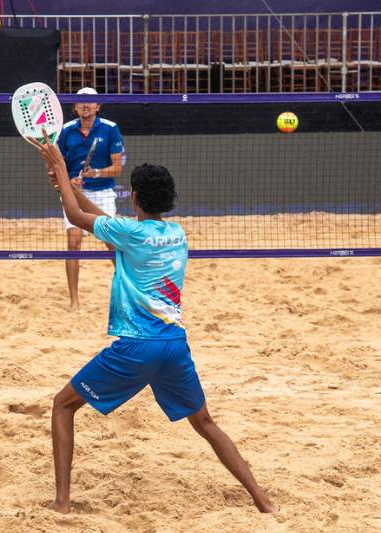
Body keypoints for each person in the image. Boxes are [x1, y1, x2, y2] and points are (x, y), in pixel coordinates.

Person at [34, 137, 277, 514]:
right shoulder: (175, 234)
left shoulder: (130, 235)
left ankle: (62, 502)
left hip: (136, 347)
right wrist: (76, 189)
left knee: (62, 406)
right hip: (175, 346)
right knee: (206, 423)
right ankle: (264, 502)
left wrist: (63, 173)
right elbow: (109, 224)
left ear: (133, 195)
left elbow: (79, 216)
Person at [57, 87, 125, 310]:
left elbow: (117, 168)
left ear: (98, 106)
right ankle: (74, 300)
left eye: (90, 102)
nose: (85, 105)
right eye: (80, 102)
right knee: (73, 242)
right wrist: (68, 182)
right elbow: (57, 167)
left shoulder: (110, 129)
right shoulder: (66, 131)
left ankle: (126, 293)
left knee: (111, 242)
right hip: (76, 193)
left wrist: (95, 173)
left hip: (102, 193)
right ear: (74, 106)